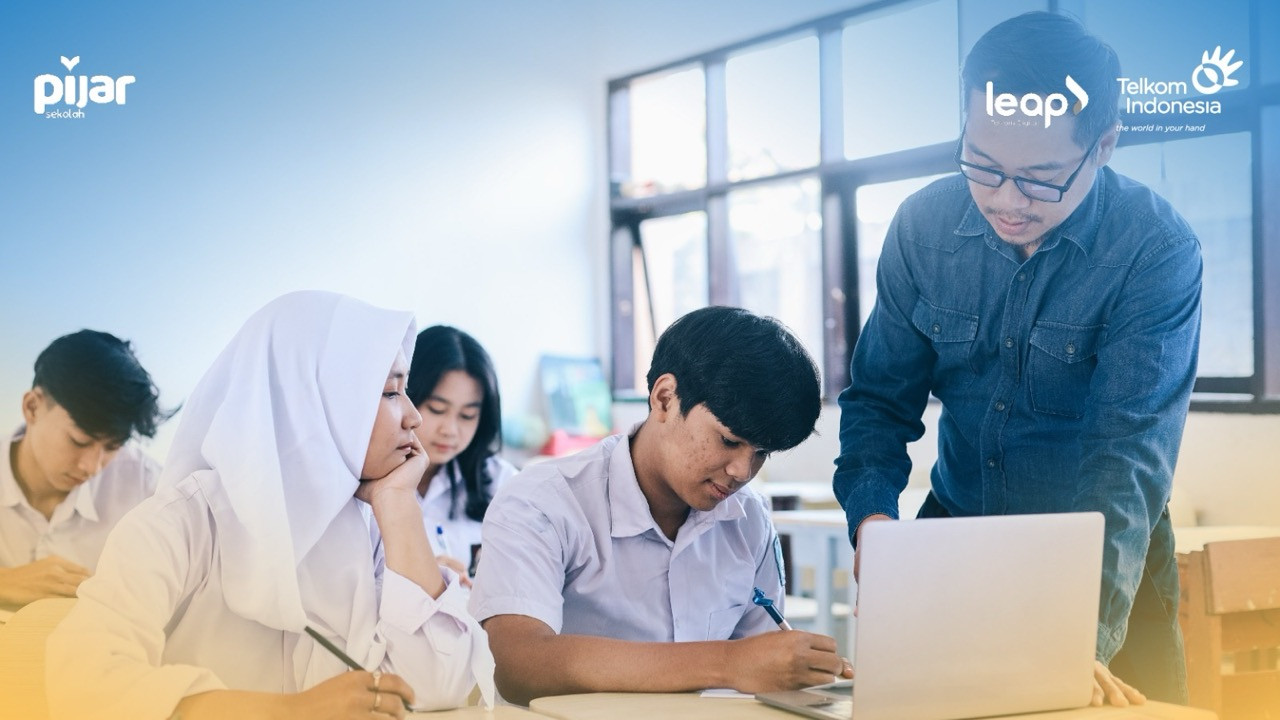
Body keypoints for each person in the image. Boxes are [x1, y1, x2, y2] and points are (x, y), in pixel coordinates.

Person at [833, 11, 1200, 708]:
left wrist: (1078, 636)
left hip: (1101, 561)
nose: (1006, 200)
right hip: (954, 546)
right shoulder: (922, 228)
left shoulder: (1155, 250)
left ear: (1104, 145)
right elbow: (879, 402)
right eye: (983, 166)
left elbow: (1127, 458)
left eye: (1040, 178)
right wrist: (875, 525)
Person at [46, 292, 494, 720]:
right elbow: (84, 681)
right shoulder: (182, 523)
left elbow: (437, 689)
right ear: (316, 401)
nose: (414, 417)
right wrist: (289, 713)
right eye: (391, 392)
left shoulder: (372, 529)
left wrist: (398, 505)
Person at [470, 306, 851, 705]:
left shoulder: (748, 518)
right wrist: (727, 663)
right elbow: (519, 665)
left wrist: (799, 670)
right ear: (665, 398)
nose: (742, 470)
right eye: (728, 440)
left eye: (762, 453)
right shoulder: (543, 500)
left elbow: (761, 666)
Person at [0, 330, 169, 612]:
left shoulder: (150, 490)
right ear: (32, 408)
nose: (91, 467)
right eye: (79, 441)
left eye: (113, 446)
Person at [406, 326, 517, 581]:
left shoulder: (500, 481)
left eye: (467, 415)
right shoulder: (367, 480)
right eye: (436, 409)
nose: (450, 430)